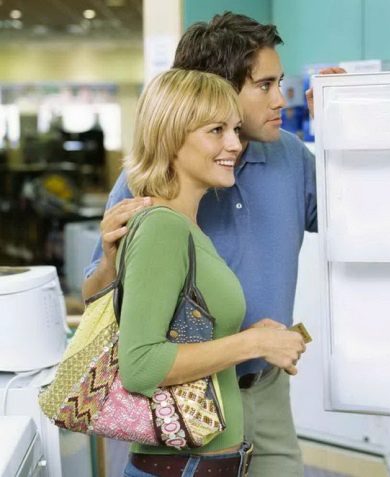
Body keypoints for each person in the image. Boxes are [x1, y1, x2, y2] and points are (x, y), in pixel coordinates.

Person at [83, 13, 342, 476]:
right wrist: (109, 261)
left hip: (264, 386)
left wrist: (348, 136)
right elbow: (102, 308)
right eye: (264, 85)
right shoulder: (147, 189)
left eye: (279, 82)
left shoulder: (289, 157)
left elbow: (359, 227)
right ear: (214, 90)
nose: (279, 99)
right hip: (186, 402)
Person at [114, 68, 306, 477]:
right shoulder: (163, 227)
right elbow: (140, 365)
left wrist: (254, 337)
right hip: (184, 466)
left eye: (234, 129)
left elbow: (182, 334)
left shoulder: (186, 226)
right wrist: (252, 343)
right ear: (170, 137)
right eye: (216, 131)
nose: (234, 144)